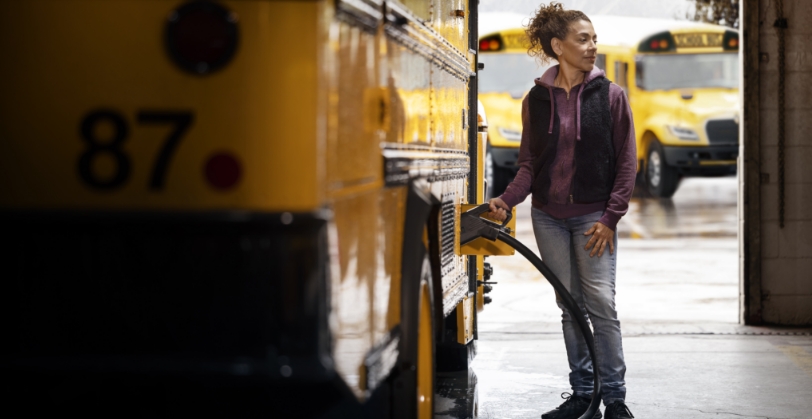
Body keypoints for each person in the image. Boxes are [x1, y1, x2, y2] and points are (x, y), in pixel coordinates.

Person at [488, 3, 636, 419]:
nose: (593, 46)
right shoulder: (536, 99)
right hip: (549, 217)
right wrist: (506, 201)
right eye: (583, 39)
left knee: (601, 304)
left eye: (594, 38)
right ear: (558, 45)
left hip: (594, 219)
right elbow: (529, 166)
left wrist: (610, 218)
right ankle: (582, 393)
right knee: (569, 306)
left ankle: (615, 399)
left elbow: (626, 162)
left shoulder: (610, 95)